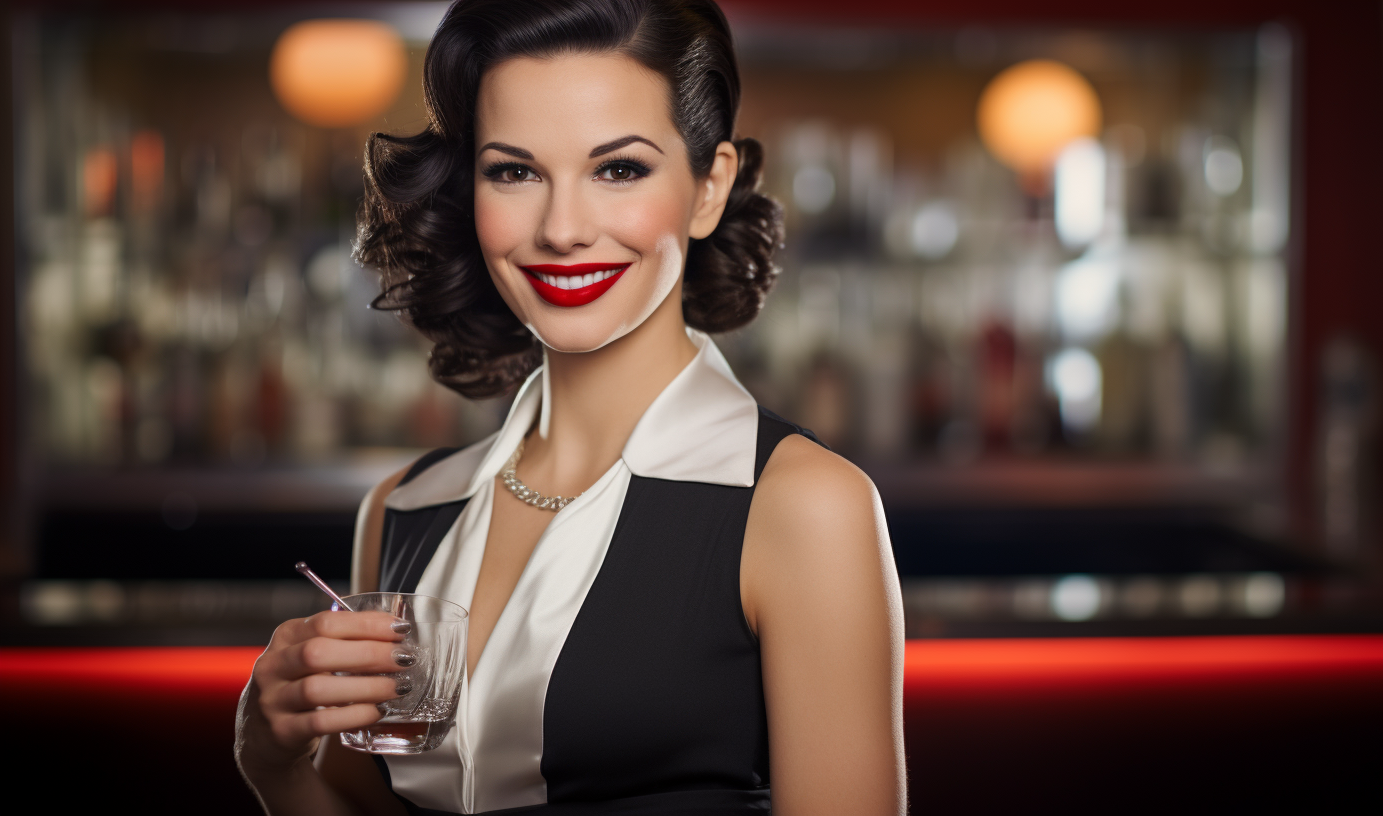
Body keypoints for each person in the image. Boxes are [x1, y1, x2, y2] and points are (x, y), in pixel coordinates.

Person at [234, 1, 906, 813]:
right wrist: (271, 763)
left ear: (708, 188)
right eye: (513, 171)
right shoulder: (405, 510)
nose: (560, 228)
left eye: (618, 169)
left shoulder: (803, 507)